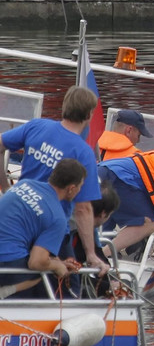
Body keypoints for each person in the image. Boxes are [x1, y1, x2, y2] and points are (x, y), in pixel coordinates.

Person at [0, 86, 109, 275]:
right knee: (71, 287)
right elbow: (83, 209)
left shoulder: (36, 126)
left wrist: (5, 187)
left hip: (18, 217)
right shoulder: (83, 153)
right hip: (51, 228)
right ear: (90, 115)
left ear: (64, 106)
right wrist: (91, 254)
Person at [0, 158, 86, 298]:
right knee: (39, 274)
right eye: (80, 187)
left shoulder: (24, 184)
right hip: (6, 262)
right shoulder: (57, 217)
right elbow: (36, 262)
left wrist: (57, 261)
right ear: (71, 188)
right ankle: (5, 293)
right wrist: (58, 267)